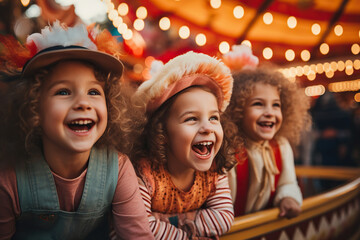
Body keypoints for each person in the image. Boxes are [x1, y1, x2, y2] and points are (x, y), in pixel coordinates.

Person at [0, 21, 154, 239]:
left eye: (93, 91)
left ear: (110, 105)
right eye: (63, 92)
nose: (83, 103)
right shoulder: (9, 177)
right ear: (32, 106)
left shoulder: (118, 169)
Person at [131, 51, 241, 239]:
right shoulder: (144, 173)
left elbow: (222, 218)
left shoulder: (214, 171)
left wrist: (162, 222)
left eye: (214, 117)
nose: (207, 127)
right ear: (162, 132)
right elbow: (137, 226)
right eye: (191, 119)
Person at [224, 45, 311, 219]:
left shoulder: (281, 146)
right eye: (258, 104)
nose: (270, 112)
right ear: (237, 109)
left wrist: (288, 197)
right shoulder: (227, 148)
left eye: (276, 105)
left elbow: (287, 182)